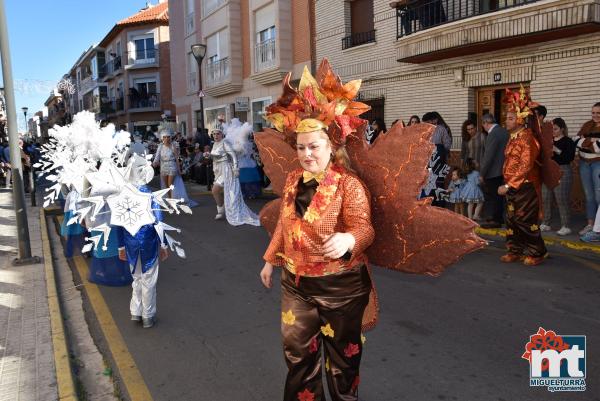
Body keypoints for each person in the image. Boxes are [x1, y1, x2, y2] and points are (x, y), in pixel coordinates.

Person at [257, 60, 485, 401]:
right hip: (297, 284)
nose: (306, 154)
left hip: (341, 287)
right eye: (301, 147)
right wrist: (269, 260)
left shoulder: (348, 185)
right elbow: (287, 224)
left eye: (314, 146)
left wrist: (349, 238)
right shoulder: (292, 181)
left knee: (342, 364)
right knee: (298, 359)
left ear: (331, 147)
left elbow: (365, 229)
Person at [118, 155, 169, 329]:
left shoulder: (124, 195)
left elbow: (118, 222)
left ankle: (136, 312)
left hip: (130, 242)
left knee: (137, 277)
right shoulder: (150, 195)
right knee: (149, 278)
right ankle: (148, 315)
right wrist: (163, 244)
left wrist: (121, 246)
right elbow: (158, 221)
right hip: (148, 241)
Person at [498, 87, 546, 266]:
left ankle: (537, 252)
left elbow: (525, 166)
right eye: (507, 117)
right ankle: (515, 249)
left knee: (525, 219)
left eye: (510, 118)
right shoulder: (513, 137)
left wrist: (509, 186)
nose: (506, 121)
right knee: (511, 219)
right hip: (511, 186)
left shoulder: (528, 139)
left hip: (524, 186)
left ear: (520, 119)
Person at [210, 127, 260, 225]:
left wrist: (236, 168)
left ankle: (226, 211)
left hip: (227, 171)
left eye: (218, 134)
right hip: (219, 170)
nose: (216, 136)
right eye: (214, 134)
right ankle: (221, 210)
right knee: (215, 191)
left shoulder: (225, 143)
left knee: (219, 190)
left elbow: (233, 155)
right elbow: (216, 156)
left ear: (222, 135)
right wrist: (208, 155)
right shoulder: (215, 144)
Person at [539, 118, 576, 235]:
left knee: (561, 199)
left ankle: (566, 225)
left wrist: (556, 149)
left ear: (562, 129)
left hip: (562, 171)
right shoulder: (547, 140)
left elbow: (568, 158)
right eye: (551, 129)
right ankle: (546, 223)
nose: (553, 131)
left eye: (555, 129)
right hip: (548, 171)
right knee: (546, 198)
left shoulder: (568, 141)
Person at [573, 102, 600, 236]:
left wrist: (586, 141)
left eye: (598, 113)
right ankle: (590, 224)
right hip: (584, 163)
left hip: (598, 164)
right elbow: (576, 140)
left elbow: (599, 149)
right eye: (593, 112)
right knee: (589, 196)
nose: (595, 115)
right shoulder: (587, 125)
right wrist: (592, 141)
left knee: (598, 195)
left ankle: (598, 227)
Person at [479, 113, 509, 228]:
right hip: (503, 168)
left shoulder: (493, 134)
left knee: (495, 196)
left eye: (483, 124)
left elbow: (488, 156)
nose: (484, 127)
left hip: (493, 171)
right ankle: (497, 216)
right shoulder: (504, 131)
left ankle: (496, 219)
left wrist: (482, 173)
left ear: (486, 123)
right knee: (499, 196)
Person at [153, 130, 180, 198]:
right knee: (166, 185)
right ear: (162, 138)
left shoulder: (173, 146)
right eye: (165, 137)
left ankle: (172, 198)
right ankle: (169, 198)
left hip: (172, 166)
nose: (166, 138)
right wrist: (155, 162)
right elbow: (157, 156)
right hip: (163, 167)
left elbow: (177, 158)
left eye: (168, 137)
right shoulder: (160, 147)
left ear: (170, 138)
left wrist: (179, 169)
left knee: (170, 184)